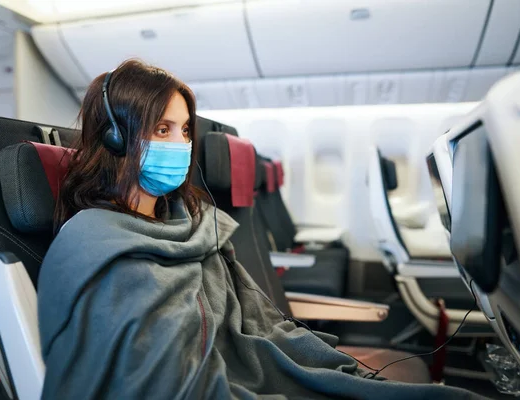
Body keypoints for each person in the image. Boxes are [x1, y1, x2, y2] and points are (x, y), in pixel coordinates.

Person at [38, 59, 489, 399]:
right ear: (117, 137)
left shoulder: (188, 222)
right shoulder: (96, 243)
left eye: (185, 131)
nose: (181, 145)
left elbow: (257, 319)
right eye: (162, 129)